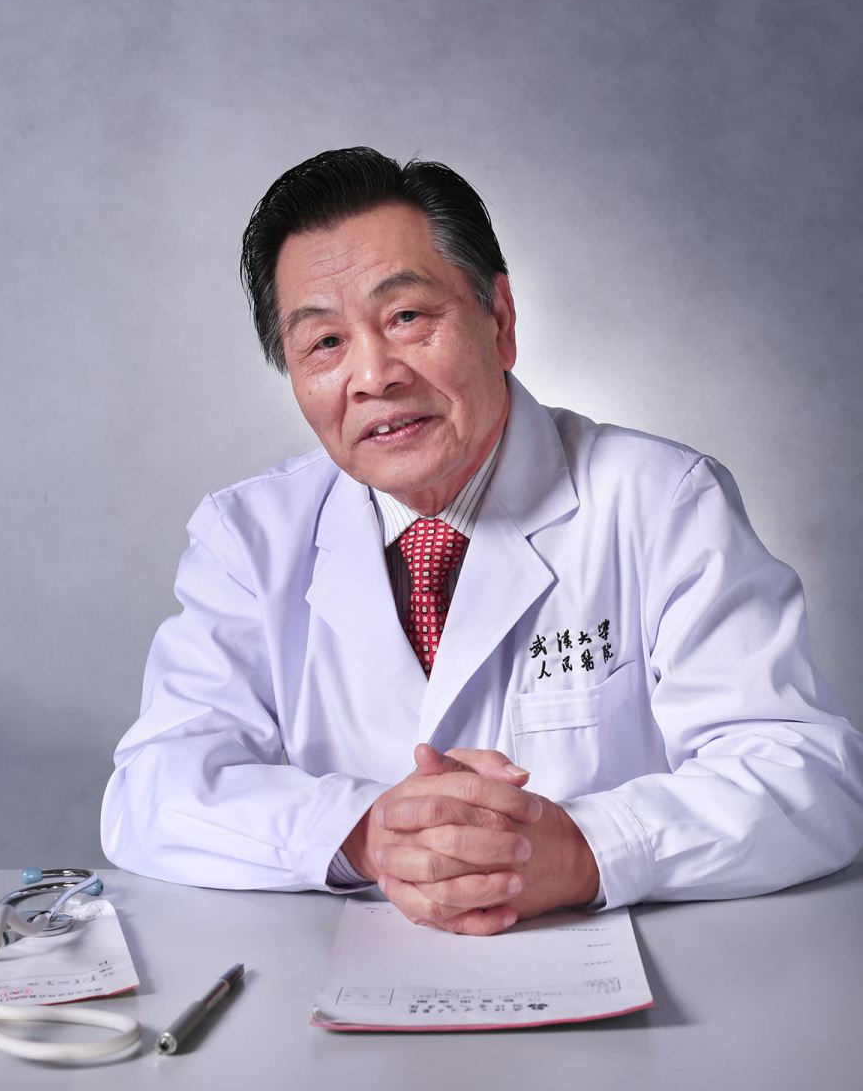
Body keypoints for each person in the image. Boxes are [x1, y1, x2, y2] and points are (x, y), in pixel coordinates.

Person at [101, 147, 863, 935]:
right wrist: (365, 833)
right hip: (345, 979)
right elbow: (152, 789)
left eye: (406, 318)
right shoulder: (248, 538)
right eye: (324, 343)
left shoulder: (662, 500)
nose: (374, 375)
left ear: (499, 321)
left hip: (627, 975)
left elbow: (809, 776)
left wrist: (587, 849)